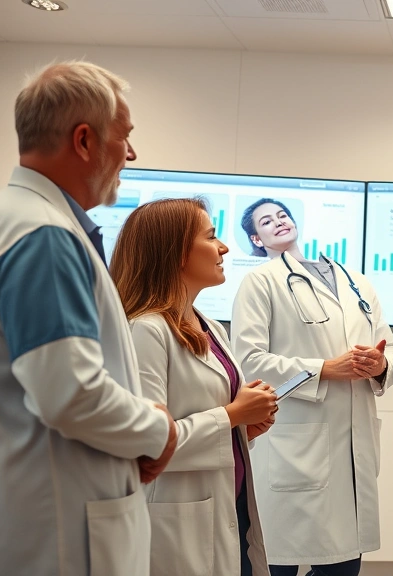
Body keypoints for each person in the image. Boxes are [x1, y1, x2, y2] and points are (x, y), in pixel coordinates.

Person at [0, 61, 178, 575]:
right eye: (123, 138)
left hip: (39, 517)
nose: (130, 154)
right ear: (84, 141)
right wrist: (159, 431)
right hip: (60, 536)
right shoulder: (42, 236)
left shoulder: (6, 220)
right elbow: (70, 394)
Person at [231, 195, 393, 576]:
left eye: (282, 215)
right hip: (293, 446)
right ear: (257, 240)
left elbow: (389, 347)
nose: (279, 222)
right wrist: (323, 369)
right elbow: (249, 360)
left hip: (352, 446)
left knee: (344, 566)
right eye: (267, 221)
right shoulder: (260, 282)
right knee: (278, 562)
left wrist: (379, 364)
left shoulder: (356, 282)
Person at [111, 197, 276, 576]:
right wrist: (233, 414)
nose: (224, 247)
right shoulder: (146, 330)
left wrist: (243, 427)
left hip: (228, 508)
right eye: (212, 236)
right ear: (176, 252)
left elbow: (202, 416)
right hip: (178, 523)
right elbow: (144, 447)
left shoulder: (209, 326)